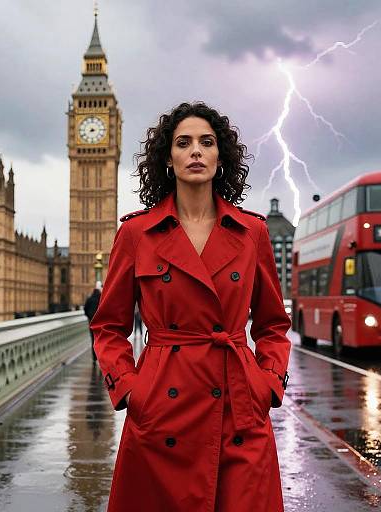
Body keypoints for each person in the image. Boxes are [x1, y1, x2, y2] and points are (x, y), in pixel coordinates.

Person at [90, 102, 291, 512]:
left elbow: (272, 324)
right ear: (168, 158)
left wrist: (267, 382)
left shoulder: (252, 232)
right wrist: (130, 389)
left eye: (207, 142)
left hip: (239, 409)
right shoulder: (136, 234)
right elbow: (108, 327)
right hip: (162, 409)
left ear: (221, 158)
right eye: (184, 143)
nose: (196, 151)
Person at [84, 281, 102, 361]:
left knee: (93, 339)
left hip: (91, 322)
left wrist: (89, 317)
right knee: (101, 340)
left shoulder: (89, 299)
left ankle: (94, 357)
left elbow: (85, 310)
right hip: (100, 323)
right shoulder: (101, 299)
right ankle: (100, 357)